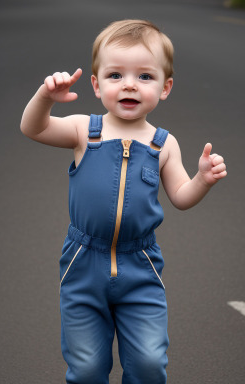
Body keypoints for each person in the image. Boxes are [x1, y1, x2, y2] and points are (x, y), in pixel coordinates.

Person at [20, 19, 227, 384]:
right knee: (86, 367)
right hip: (83, 263)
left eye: (145, 76)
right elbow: (33, 128)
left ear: (165, 88)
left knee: (149, 363)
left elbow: (180, 196)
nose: (129, 84)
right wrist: (44, 98)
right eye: (116, 75)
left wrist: (202, 180)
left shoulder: (164, 144)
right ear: (97, 85)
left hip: (140, 267)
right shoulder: (85, 130)